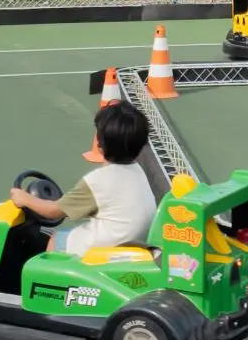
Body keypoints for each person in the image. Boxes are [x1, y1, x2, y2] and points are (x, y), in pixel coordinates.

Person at [10, 100, 159, 256]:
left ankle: (44, 278)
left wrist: (25, 198)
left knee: (57, 238)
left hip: (106, 249)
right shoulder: (137, 171)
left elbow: (53, 212)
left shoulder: (97, 181)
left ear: (99, 144)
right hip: (133, 244)